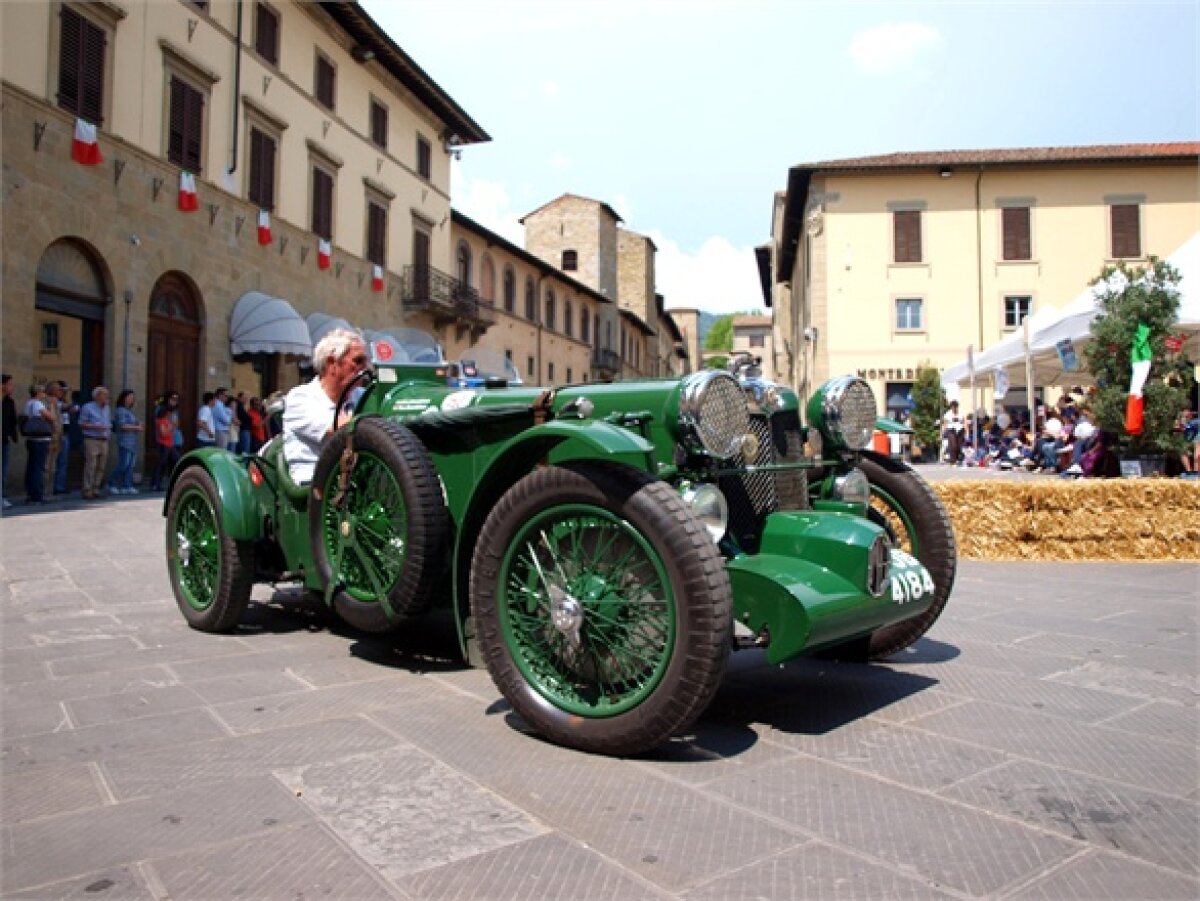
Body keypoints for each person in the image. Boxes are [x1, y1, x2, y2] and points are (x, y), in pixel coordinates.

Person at [283, 328, 369, 483]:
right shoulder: (300, 398)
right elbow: (337, 430)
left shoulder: (362, 395)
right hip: (313, 484)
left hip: (354, 480)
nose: (365, 368)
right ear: (332, 364)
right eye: (358, 361)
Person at [22, 382, 55, 505]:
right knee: (38, 468)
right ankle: (37, 495)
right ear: (38, 393)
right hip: (40, 440)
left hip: (31, 439)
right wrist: (50, 406)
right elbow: (51, 417)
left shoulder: (28, 403)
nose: (44, 394)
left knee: (31, 467)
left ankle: (30, 493)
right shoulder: (37, 403)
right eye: (43, 392)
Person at [79, 386, 112, 499]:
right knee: (91, 465)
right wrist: (95, 427)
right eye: (104, 394)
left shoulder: (107, 408)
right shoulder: (87, 407)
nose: (106, 397)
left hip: (104, 439)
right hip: (92, 439)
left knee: (101, 466)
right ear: (97, 396)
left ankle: (96, 488)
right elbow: (82, 423)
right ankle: (87, 489)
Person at [107, 389, 143, 494]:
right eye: (129, 397)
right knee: (123, 464)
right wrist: (136, 427)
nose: (131, 399)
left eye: (132, 397)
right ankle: (111, 482)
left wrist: (138, 424)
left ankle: (127, 485)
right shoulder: (120, 410)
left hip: (133, 441)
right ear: (123, 398)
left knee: (131, 464)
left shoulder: (130, 411)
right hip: (124, 441)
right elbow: (122, 425)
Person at [150, 391, 181, 491]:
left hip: (172, 442)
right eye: (173, 399)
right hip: (163, 443)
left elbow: (175, 425)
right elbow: (163, 431)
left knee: (173, 461)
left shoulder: (174, 413)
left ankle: (169, 483)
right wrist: (171, 425)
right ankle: (155, 483)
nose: (175, 401)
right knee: (161, 463)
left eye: (176, 399)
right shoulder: (161, 415)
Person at [53, 381, 76, 495]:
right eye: (62, 390)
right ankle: (52, 486)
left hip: (65, 433)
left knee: (63, 462)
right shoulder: (54, 402)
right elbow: (65, 408)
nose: (63, 393)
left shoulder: (64, 401)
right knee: (53, 462)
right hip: (57, 434)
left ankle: (59, 486)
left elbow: (71, 410)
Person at [43, 381, 64, 500]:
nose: (60, 392)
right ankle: (44, 492)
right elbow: (51, 418)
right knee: (46, 466)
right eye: (58, 389)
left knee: (53, 466)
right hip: (48, 438)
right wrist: (51, 405)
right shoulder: (45, 402)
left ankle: (49, 492)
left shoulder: (57, 403)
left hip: (57, 439)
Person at [2, 374, 17, 508]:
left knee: (3, 471)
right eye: (10, 384)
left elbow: (12, 421)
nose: (12, 387)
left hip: (4, 440)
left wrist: (13, 435)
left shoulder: (9, 402)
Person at [942, 400, 964, 464]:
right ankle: (952, 460)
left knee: (958, 446)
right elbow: (945, 424)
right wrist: (943, 432)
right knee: (953, 445)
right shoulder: (948, 414)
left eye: (956, 407)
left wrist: (966, 431)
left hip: (960, 430)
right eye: (953, 407)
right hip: (951, 430)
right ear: (951, 407)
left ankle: (957, 459)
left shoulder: (961, 413)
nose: (954, 408)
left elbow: (963, 422)